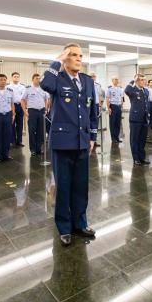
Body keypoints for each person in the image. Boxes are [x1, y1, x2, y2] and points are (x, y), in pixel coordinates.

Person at [41, 43, 98, 246]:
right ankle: (64, 227)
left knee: (80, 186)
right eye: (73, 55)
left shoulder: (87, 81)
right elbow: (44, 84)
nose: (78, 59)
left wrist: (92, 137)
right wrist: (57, 59)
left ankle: (80, 223)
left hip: (83, 141)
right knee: (63, 186)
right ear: (65, 58)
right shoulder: (56, 78)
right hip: (63, 142)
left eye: (80, 55)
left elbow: (93, 110)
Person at [21, 73, 50, 156]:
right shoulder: (28, 89)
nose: (38, 79)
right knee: (32, 131)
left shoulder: (43, 89)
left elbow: (46, 99)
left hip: (41, 111)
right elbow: (22, 100)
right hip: (32, 111)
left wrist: (45, 109)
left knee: (41, 131)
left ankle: (38, 149)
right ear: (32, 79)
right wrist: (25, 111)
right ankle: (32, 149)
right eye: (36, 78)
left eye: (39, 78)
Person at [125, 73, 150, 166]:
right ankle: (136, 158)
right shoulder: (132, 90)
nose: (145, 81)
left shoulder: (146, 91)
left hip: (144, 118)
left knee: (142, 140)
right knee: (134, 139)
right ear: (137, 81)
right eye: (142, 80)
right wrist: (133, 80)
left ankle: (142, 157)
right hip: (135, 118)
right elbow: (126, 89)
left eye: (145, 80)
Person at [9, 72, 25, 147]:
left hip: (20, 106)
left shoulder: (22, 87)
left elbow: (24, 98)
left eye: (17, 76)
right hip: (11, 106)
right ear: (12, 77)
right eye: (15, 76)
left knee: (20, 124)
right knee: (12, 123)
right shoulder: (8, 87)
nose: (16, 78)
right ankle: (12, 140)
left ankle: (19, 141)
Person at [106, 77, 124, 143]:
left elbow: (122, 98)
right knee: (112, 123)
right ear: (112, 81)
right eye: (115, 79)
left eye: (117, 79)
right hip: (113, 106)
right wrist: (108, 108)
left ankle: (117, 137)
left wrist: (122, 107)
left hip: (119, 106)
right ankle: (113, 138)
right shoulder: (109, 89)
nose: (117, 81)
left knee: (118, 123)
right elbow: (107, 99)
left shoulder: (121, 89)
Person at [89, 72, 103, 146]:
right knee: (87, 122)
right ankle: (88, 139)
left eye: (94, 76)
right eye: (91, 76)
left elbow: (100, 96)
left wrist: (100, 106)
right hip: (88, 105)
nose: (93, 77)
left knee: (95, 123)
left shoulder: (98, 85)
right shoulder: (86, 84)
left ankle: (94, 139)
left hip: (96, 105)